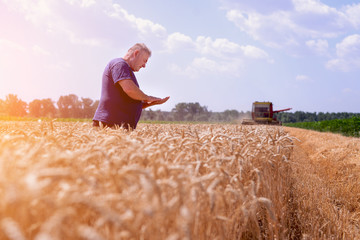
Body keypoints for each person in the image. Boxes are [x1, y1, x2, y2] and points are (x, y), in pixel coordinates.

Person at [93, 43, 169, 129]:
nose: (144, 66)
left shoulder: (124, 68)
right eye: (145, 60)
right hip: (109, 125)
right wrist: (148, 97)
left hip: (116, 126)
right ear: (136, 53)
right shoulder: (120, 64)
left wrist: (148, 103)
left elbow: (125, 100)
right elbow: (129, 89)